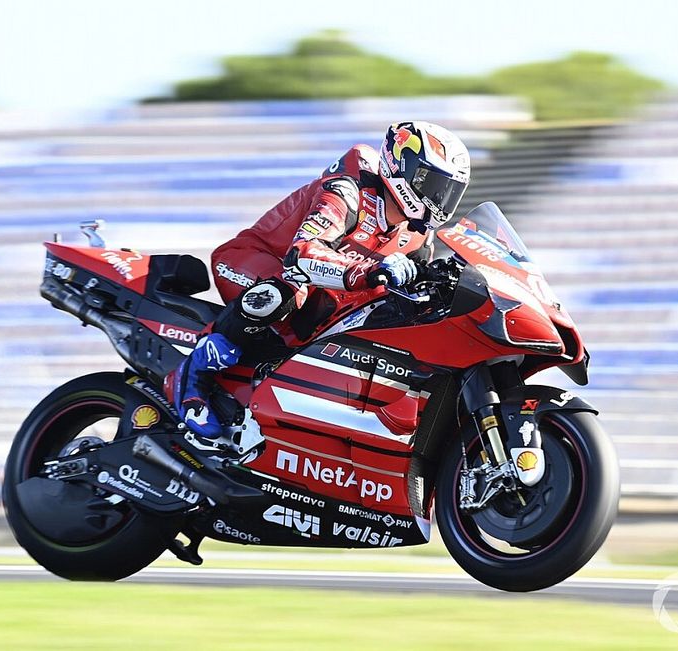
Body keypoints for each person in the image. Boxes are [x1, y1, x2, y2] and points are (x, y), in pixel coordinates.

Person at [165, 121, 471, 455]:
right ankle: (192, 375)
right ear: (403, 167)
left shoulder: (417, 236)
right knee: (284, 292)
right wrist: (369, 270)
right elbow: (301, 256)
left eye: (449, 191)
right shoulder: (349, 189)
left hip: (323, 298)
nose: (438, 199)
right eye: (433, 184)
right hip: (253, 262)